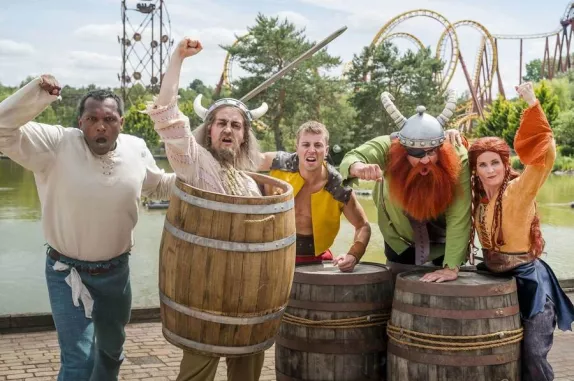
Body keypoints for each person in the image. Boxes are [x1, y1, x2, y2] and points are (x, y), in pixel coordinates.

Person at [0, 76, 175, 380]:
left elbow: (159, 186)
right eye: (92, 118)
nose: (100, 125)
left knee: (111, 353)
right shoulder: (55, 144)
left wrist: (198, 174)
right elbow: (2, 128)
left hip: (116, 274)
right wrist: (35, 95)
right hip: (67, 274)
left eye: (109, 118)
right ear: (80, 122)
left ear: (120, 122)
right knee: (79, 362)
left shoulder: (136, 148)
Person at [144, 37, 269, 381]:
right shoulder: (194, 165)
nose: (228, 129)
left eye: (236, 125)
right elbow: (167, 114)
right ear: (209, 130)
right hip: (205, 293)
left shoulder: (248, 184)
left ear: (244, 136)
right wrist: (177, 59)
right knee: (196, 373)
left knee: (247, 371)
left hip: (247, 299)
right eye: (221, 123)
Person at [468, 82, 574, 381]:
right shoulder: (479, 204)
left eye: (495, 163)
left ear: (505, 164)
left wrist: (531, 103)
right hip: (496, 278)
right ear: (475, 170)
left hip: (531, 283)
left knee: (533, 355)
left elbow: (546, 157)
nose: (490, 170)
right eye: (483, 165)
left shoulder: (518, 191)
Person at [339, 90, 471, 283]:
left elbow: (459, 214)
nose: (425, 159)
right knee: (397, 290)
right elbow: (351, 158)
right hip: (399, 241)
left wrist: (451, 267)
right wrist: (357, 167)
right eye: (417, 153)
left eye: (432, 152)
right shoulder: (388, 147)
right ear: (402, 148)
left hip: (443, 244)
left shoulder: (457, 158)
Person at [258, 121, 371, 271]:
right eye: (306, 145)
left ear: (326, 150)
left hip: (317, 259)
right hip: (272, 251)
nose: (312, 150)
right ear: (297, 147)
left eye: (318, 145)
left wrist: (354, 254)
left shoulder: (338, 186)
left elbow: (363, 225)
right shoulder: (278, 162)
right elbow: (241, 160)